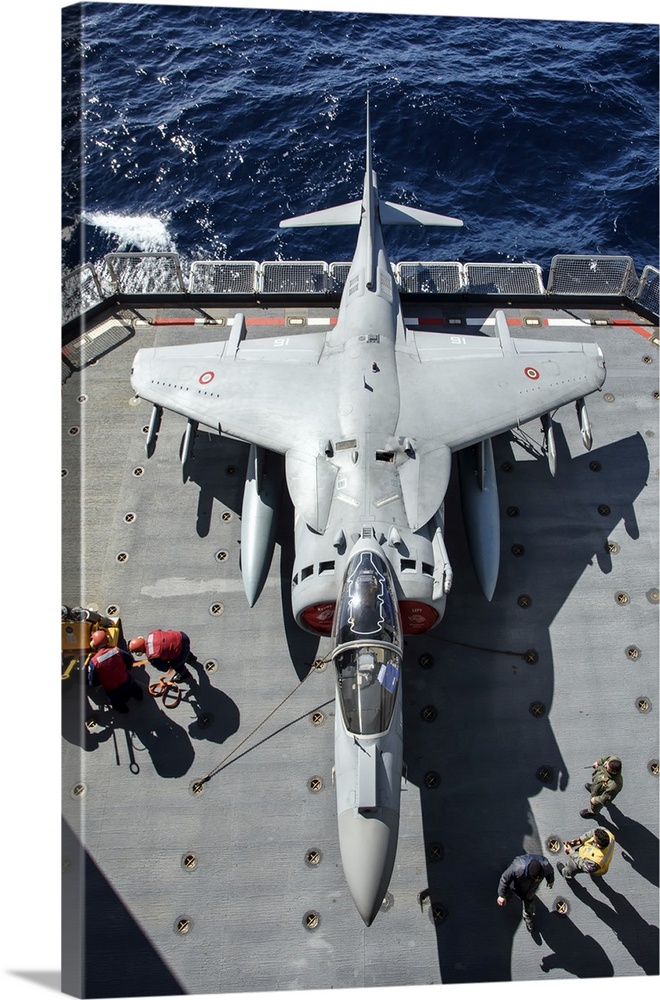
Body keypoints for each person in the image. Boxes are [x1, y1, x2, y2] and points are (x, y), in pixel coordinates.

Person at [87, 629, 144, 714]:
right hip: (126, 679)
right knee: (135, 690)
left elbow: (92, 681)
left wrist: (101, 682)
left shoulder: (94, 662)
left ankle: (124, 710)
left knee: (117, 703)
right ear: (108, 640)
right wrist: (126, 669)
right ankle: (139, 697)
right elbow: (129, 660)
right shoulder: (116, 650)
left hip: (112, 688)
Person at [497, 854, 554, 932]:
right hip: (516, 887)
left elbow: (550, 872)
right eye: (535, 879)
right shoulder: (518, 868)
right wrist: (501, 895)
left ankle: (527, 917)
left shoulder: (545, 865)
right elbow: (505, 878)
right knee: (508, 885)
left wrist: (550, 880)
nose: (537, 881)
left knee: (529, 903)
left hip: (530, 891)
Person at [128, 629, 199, 682]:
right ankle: (191, 657)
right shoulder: (152, 634)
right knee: (181, 649)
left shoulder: (152, 657)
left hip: (181, 651)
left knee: (176, 665)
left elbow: (165, 668)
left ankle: (185, 674)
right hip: (182, 636)